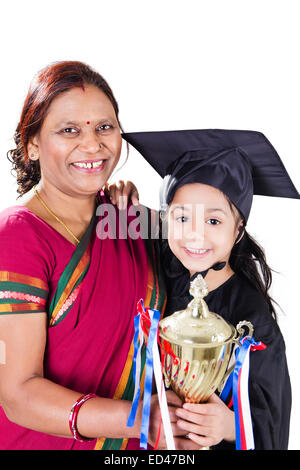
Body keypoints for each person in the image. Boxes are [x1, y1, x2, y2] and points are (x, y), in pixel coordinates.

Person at [0, 61, 193, 451]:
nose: (92, 145)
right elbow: (17, 394)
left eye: (104, 127)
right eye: (69, 130)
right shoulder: (16, 237)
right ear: (32, 144)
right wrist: (140, 420)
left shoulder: (131, 222)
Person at [111, 128, 300, 449]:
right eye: (183, 218)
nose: (195, 235)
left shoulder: (252, 320)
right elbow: (116, 220)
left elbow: (273, 416)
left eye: (214, 222)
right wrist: (120, 195)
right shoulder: (159, 262)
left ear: (238, 229)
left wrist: (231, 426)